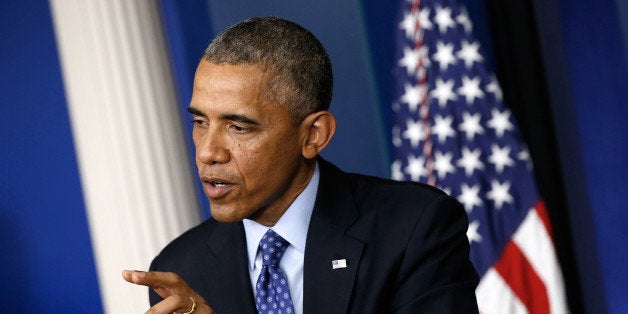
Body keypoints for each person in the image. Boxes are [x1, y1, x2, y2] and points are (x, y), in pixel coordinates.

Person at [123, 16, 479, 314]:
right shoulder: (182, 268)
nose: (208, 152)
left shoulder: (413, 227)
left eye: (239, 127)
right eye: (200, 122)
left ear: (313, 135)